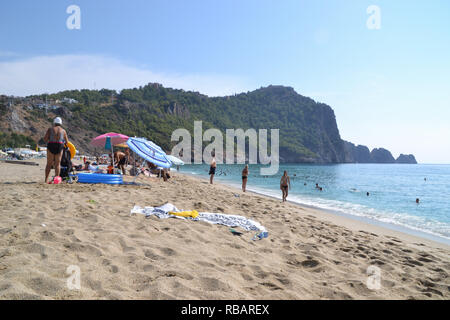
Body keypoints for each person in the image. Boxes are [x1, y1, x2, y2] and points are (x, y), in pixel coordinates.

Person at [43, 117, 70, 183]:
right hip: (59, 146)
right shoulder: (63, 131)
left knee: (49, 164)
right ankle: (56, 180)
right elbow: (67, 142)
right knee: (57, 164)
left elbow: (45, 139)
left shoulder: (50, 129)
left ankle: (46, 179)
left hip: (51, 145)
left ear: (54, 123)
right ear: (60, 123)